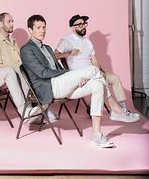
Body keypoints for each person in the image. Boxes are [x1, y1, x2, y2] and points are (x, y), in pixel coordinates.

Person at [20, 15, 116, 148]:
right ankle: (115, 108)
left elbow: (56, 68)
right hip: (50, 87)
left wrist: (75, 80)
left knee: (97, 85)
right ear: (30, 30)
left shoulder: (47, 48)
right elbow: (42, 73)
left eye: (44, 27)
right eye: (38, 28)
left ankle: (96, 134)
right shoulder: (26, 50)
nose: (42, 30)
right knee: (93, 70)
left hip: (62, 85)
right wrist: (70, 75)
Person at [54, 14, 140, 122]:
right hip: (80, 75)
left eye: (84, 24)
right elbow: (54, 55)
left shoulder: (87, 42)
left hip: (94, 72)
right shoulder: (66, 40)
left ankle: (123, 110)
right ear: (73, 27)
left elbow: (94, 59)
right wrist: (69, 53)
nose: (83, 26)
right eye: (80, 24)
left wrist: (102, 71)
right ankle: (116, 110)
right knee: (101, 81)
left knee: (115, 78)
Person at [0, 12, 57, 121]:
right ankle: (29, 110)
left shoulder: (13, 41)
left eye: (13, 21)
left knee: (34, 72)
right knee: (22, 72)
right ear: (1, 24)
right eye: (9, 21)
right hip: (8, 77)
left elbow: (21, 61)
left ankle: (41, 110)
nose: (12, 24)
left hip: (20, 74)